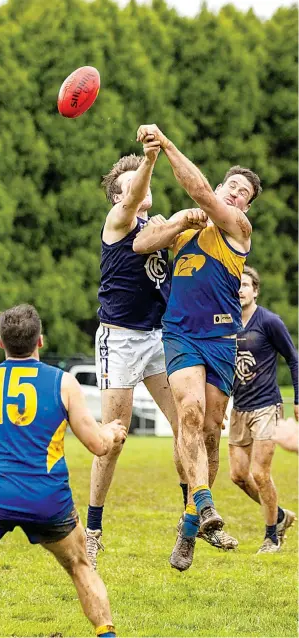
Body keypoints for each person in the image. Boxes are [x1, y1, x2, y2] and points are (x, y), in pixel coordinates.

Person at [0, 304, 127, 637]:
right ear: (40, 341)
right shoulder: (64, 383)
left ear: (1, 342)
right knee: (80, 567)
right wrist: (113, 432)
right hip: (49, 500)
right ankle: (107, 634)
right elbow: (98, 445)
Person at [135, 123, 262, 571]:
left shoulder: (237, 229)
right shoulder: (188, 227)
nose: (234, 194)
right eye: (232, 185)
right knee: (187, 413)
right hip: (181, 334)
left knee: (209, 431)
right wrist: (173, 223)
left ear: (246, 206)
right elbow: (140, 243)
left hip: (221, 340)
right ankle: (204, 501)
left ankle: (189, 526)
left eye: (243, 192)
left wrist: (166, 144)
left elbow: (202, 192)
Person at [86, 137, 194, 570]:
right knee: (115, 436)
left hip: (156, 336)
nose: (142, 188)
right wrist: (150, 158)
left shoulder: (157, 223)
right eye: (132, 186)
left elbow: (168, 237)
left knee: (187, 422)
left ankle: (192, 515)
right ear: (119, 195)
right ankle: (93, 531)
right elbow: (138, 218)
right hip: (120, 339)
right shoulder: (117, 220)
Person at [229, 266, 298, 553]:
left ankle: (271, 537)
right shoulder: (225, 324)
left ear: (255, 290)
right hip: (238, 408)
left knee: (260, 473)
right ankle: (280, 515)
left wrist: (298, 399)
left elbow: (293, 359)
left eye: (245, 285)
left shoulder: (269, 321)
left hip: (266, 406)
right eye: (237, 285)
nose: (240, 290)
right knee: (238, 475)